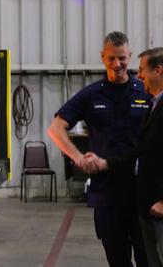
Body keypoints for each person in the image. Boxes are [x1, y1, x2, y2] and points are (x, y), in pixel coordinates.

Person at [47, 32, 150, 267]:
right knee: (117, 260)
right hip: (107, 195)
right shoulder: (92, 95)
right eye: (111, 58)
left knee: (149, 259)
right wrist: (78, 157)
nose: (117, 64)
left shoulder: (144, 92)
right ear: (103, 57)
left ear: (130, 56)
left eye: (122, 58)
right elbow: (55, 128)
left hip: (141, 193)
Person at [84, 47, 163, 266]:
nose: (139, 77)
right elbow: (140, 150)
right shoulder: (153, 106)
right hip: (146, 206)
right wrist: (104, 163)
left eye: (142, 70)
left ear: (158, 71)